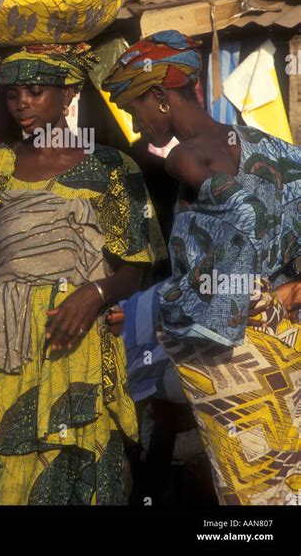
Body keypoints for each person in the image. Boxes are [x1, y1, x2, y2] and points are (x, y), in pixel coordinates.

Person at [0, 43, 166, 505]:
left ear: (68, 94)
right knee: (11, 479)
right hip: (11, 350)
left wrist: (95, 292)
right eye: (12, 93)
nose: (21, 103)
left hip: (77, 342)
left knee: (82, 471)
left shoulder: (109, 168)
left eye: (35, 91)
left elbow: (136, 266)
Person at [102, 30, 301, 505]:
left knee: (247, 493)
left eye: (134, 109)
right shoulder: (280, 151)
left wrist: (153, 311)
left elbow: (236, 226)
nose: (135, 125)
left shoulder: (183, 158)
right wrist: (283, 295)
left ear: (159, 95)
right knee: (287, 485)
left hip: (231, 362)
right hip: (287, 348)